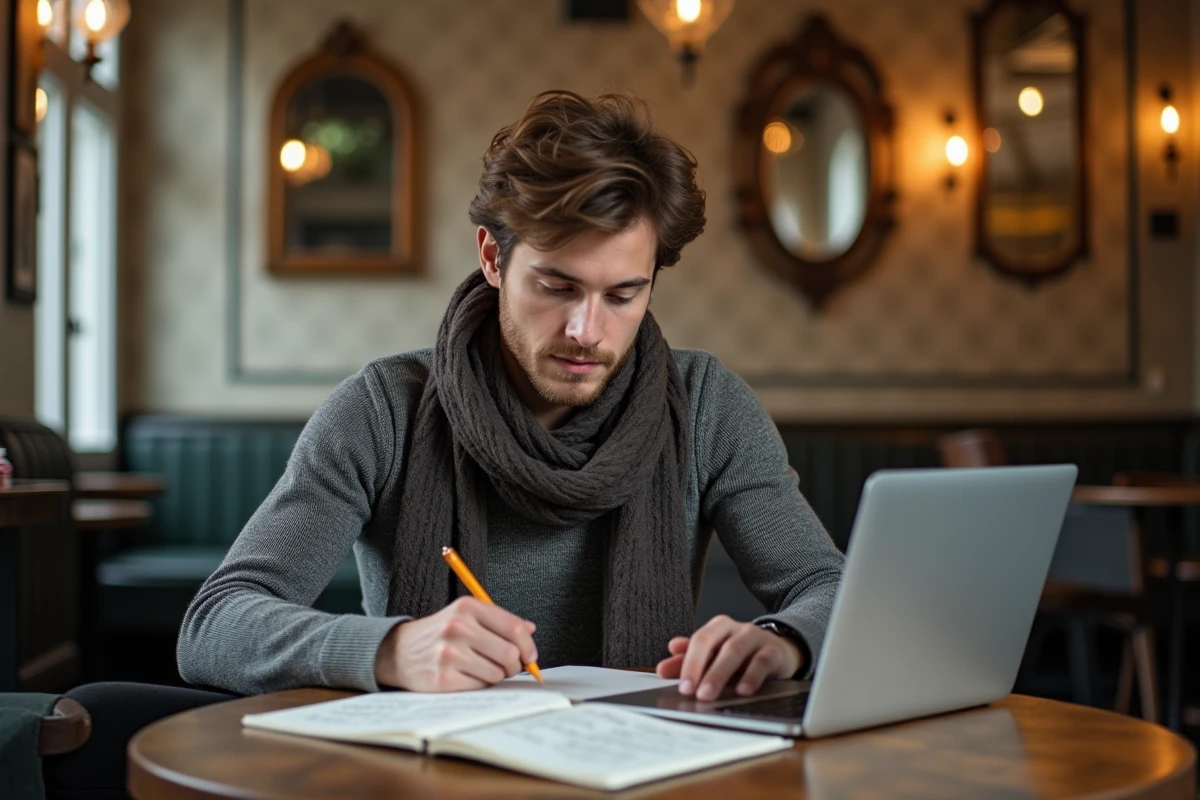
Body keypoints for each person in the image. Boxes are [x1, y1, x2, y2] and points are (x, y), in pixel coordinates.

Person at [175, 89, 844, 704]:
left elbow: (834, 589)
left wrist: (785, 639)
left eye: (622, 295)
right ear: (493, 259)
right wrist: (389, 649)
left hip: (637, 766)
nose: (586, 331)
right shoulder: (384, 408)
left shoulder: (706, 406)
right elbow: (215, 623)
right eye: (556, 286)